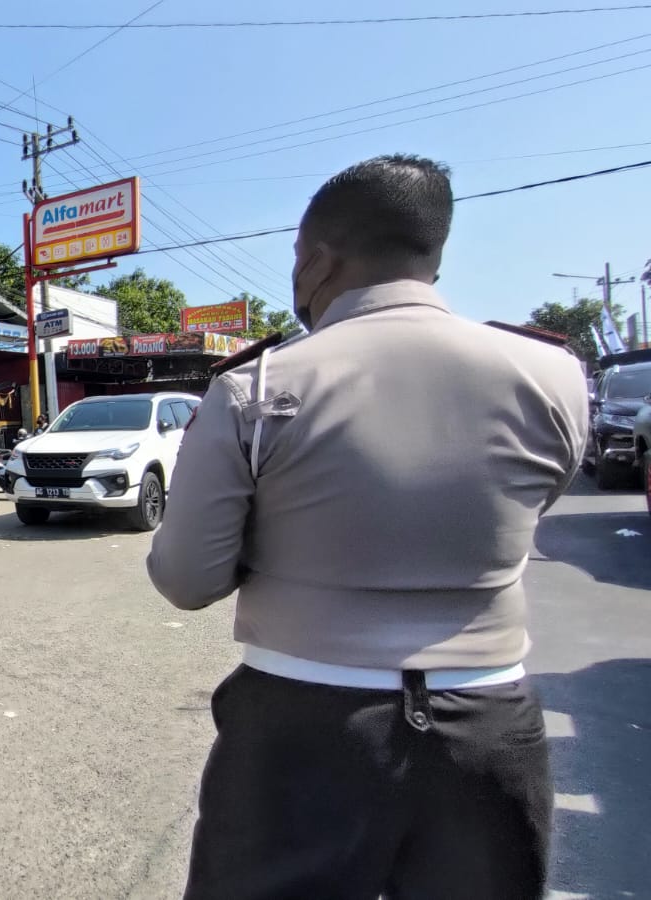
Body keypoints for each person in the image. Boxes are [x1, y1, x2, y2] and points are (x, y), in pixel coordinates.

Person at [146, 155, 586, 899]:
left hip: (301, 727)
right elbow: (531, 504)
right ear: (432, 252)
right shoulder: (553, 376)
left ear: (316, 259)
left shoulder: (258, 387)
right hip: (489, 725)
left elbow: (187, 580)